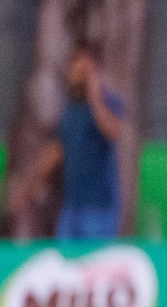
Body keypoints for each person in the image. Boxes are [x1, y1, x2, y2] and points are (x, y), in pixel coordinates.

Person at [7, 44, 125, 239]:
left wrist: (94, 89)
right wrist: (27, 189)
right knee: (67, 263)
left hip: (99, 210)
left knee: (94, 264)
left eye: (83, 71)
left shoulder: (108, 102)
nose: (77, 75)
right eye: (75, 70)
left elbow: (112, 131)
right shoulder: (68, 111)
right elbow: (53, 156)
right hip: (72, 208)